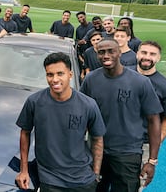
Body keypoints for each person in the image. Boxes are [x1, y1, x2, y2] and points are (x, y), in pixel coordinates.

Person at [79, 39, 163, 192]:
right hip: (96, 153)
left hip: (127, 155)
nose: (106, 55)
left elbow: (154, 120)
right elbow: (80, 113)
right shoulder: (91, 80)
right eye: (101, 52)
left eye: (111, 51)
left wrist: (152, 160)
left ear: (119, 52)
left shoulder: (141, 82)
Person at [15, 52, 106, 191]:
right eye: (50, 75)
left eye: (60, 73)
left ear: (70, 74)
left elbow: (98, 139)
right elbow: (25, 133)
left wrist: (96, 173)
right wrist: (24, 170)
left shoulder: (88, 105)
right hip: (50, 180)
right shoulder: (34, 102)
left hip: (83, 180)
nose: (54, 79)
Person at [136, 41, 166, 190]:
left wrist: (155, 142)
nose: (147, 57)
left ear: (158, 58)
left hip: (144, 145)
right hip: (116, 140)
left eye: (152, 54)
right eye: (144, 52)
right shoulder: (123, 75)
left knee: (136, 185)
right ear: (137, 54)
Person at [75, 11, 94, 78]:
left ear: (85, 16)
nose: (80, 19)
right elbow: (77, 41)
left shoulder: (92, 26)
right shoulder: (78, 29)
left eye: (81, 17)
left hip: (92, 52)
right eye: (78, 18)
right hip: (83, 53)